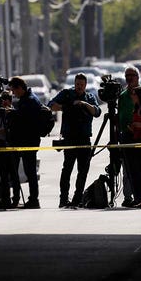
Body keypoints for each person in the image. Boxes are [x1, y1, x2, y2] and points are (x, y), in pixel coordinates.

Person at [48, 73, 102, 208]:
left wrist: (83, 104)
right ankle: (63, 199)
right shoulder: (67, 94)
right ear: (74, 83)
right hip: (70, 138)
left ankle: (77, 198)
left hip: (84, 139)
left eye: (82, 85)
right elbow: (51, 104)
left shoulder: (89, 97)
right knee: (67, 170)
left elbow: (97, 112)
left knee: (83, 171)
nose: (79, 87)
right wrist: (66, 107)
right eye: (77, 84)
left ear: (85, 85)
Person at [117, 66, 141, 207]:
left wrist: (140, 126)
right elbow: (120, 115)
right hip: (126, 135)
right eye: (127, 75)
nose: (129, 78)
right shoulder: (122, 95)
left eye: (132, 75)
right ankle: (135, 197)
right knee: (130, 169)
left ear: (138, 77)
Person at [6, 76, 42, 209]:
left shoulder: (30, 101)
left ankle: (33, 199)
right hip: (23, 140)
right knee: (19, 171)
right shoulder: (25, 100)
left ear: (20, 88)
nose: (13, 94)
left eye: (14, 91)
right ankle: (17, 198)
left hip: (27, 141)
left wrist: (12, 113)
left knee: (30, 172)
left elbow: (25, 121)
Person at [0, 90, 22, 208]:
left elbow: (18, 129)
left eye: (8, 99)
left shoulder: (14, 113)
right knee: (3, 174)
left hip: (13, 145)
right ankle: (5, 198)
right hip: (0, 145)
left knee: (14, 174)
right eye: (3, 99)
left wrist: (7, 130)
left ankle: (16, 199)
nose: (5, 102)